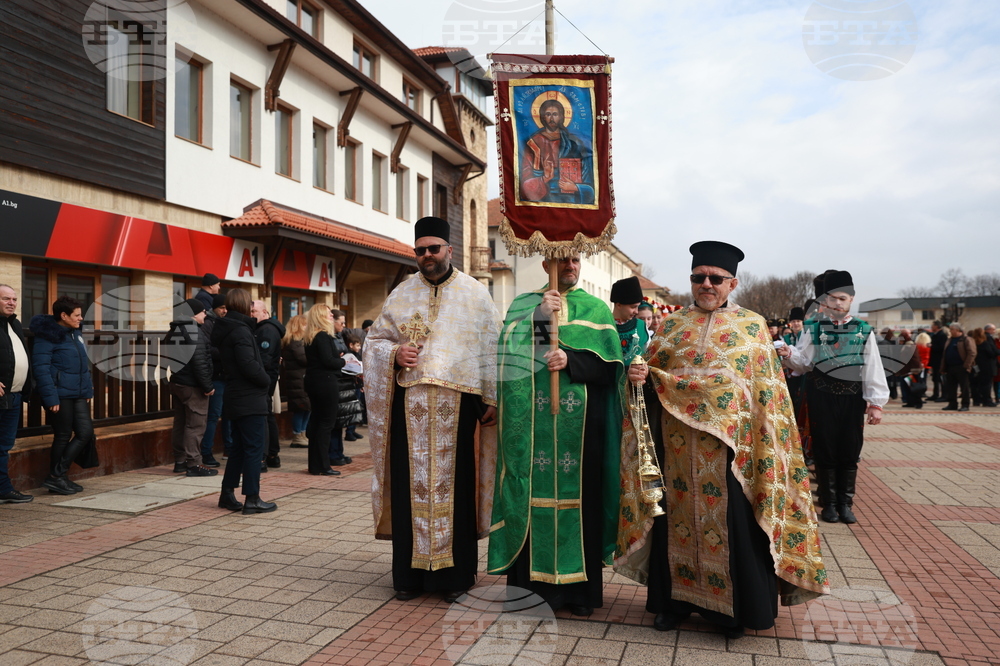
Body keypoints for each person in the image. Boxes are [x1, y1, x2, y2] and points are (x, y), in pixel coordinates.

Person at [617, 241, 827, 638]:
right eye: (699, 278)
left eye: (715, 278)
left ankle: (732, 612)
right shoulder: (672, 325)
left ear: (732, 283)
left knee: (734, 527)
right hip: (676, 451)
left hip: (734, 453)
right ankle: (672, 604)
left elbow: (767, 397)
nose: (706, 284)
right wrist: (640, 379)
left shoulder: (752, 327)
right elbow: (652, 381)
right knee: (673, 522)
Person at [365, 216, 501, 604]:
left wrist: (491, 396)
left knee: (456, 489)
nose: (427, 255)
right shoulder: (401, 293)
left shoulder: (475, 293)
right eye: (420, 250)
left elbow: (492, 347)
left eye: (433, 249)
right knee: (410, 488)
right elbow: (373, 343)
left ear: (449, 250)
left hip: (458, 407)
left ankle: (455, 577)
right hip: (410, 407)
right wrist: (394, 354)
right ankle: (408, 577)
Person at [488, 252, 625, 617]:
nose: (570, 266)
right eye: (562, 260)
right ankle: (530, 593)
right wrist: (539, 318)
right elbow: (511, 359)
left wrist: (572, 360)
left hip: (581, 435)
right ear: (546, 264)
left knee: (582, 504)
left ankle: (579, 594)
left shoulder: (595, 309)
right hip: (533, 431)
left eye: (575, 260)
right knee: (531, 498)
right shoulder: (524, 305)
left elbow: (611, 371)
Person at [779, 270, 889, 524]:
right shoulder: (814, 328)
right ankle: (828, 504)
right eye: (832, 299)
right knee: (824, 449)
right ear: (825, 301)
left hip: (851, 398)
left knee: (850, 450)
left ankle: (845, 503)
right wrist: (788, 354)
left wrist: (876, 403)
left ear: (850, 299)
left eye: (842, 298)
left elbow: (873, 366)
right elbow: (804, 362)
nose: (837, 303)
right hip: (821, 395)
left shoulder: (863, 330)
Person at [212, 288, 276, 514]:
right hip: (249, 397)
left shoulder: (228, 327)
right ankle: (252, 498)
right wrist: (265, 379)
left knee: (238, 448)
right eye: (250, 304)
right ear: (244, 305)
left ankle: (227, 494)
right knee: (253, 449)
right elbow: (248, 364)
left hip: (236, 396)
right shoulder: (240, 330)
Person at [30, 296, 95, 495]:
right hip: (59, 395)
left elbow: (84, 365)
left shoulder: (75, 334)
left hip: (77, 393)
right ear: (64, 315)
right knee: (63, 435)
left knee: (85, 433)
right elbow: (40, 368)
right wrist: (50, 398)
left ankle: (57, 476)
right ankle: (58, 478)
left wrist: (87, 390)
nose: (81, 318)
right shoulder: (47, 335)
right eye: (77, 315)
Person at [167, 299, 217, 477]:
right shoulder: (194, 330)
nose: (205, 315)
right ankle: (194, 464)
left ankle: (180, 461)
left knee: (180, 423)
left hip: (177, 382)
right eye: (203, 312)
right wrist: (207, 386)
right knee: (195, 424)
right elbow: (199, 361)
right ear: (194, 313)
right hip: (193, 385)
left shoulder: (174, 329)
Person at [519, 99, 594, 205]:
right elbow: (523, 183)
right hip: (542, 201)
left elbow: (590, 186)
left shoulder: (573, 144)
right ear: (542, 117)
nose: (551, 118)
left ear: (562, 116)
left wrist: (575, 187)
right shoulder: (532, 144)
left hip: (570, 200)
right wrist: (544, 178)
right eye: (548, 114)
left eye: (555, 114)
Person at [0, 285, 33, 503]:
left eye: (14, 299)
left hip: (13, 396)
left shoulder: (15, 324)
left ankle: (3, 489)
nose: (12, 302)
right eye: (6, 299)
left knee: (4, 445)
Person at [304, 304, 345, 476]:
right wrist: (343, 362)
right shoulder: (323, 336)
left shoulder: (311, 336)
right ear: (321, 316)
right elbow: (329, 361)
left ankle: (315, 465)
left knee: (316, 422)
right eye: (329, 314)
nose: (331, 317)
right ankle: (324, 465)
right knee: (326, 424)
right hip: (326, 383)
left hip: (313, 381)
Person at [252, 300, 285, 470]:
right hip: (266, 379)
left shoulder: (266, 330)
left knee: (264, 417)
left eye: (254, 311)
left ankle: (265, 457)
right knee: (267, 416)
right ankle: (271, 454)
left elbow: (264, 359)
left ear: (264, 313)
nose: (251, 314)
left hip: (263, 380)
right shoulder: (263, 329)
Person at [200, 292, 229, 466]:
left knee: (228, 415)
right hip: (215, 377)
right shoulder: (208, 324)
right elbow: (208, 349)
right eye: (221, 308)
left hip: (226, 376)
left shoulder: (225, 323)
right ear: (214, 308)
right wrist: (227, 352)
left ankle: (229, 448)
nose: (224, 311)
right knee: (212, 416)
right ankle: (206, 452)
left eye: (226, 307)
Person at [280, 314, 310, 448]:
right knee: (301, 408)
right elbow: (304, 359)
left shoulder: (299, 341)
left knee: (306, 408)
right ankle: (297, 435)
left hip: (300, 380)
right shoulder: (295, 342)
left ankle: (302, 433)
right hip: (297, 381)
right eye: (305, 325)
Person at [611, 276, 648, 363]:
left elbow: (648, 356)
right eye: (633, 307)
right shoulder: (603, 325)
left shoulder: (641, 326)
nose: (636, 311)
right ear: (619, 305)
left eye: (638, 306)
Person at [940, 323, 976, 412]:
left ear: (958, 330)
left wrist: (966, 365)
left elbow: (972, 353)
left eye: (952, 329)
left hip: (961, 367)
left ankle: (965, 405)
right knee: (951, 387)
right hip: (950, 367)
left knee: (964, 387)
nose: (950, 331)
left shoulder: (966, 339)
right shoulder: (949, 340)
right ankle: (952, 404)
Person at [342, 331, 364, 442]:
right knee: (352, 409)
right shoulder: (349, 356)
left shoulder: (357, 355)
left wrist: (362, 384)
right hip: (351, 385)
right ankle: (349, 432)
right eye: (357, 345)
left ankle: (353, 429)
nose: (359, 347)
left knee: (357, 409)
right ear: (351, 345)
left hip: (357, 384)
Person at [970, 328, 997, 407]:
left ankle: (976, 400)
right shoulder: (985, 343)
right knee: (986, 384)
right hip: (986, 366)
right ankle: (986, 400)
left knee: (975, 384)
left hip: (975, 365)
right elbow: (992, 353)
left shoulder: (972, 343)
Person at [929, 321, 948, 401]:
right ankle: (935, 394)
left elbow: (942, 348)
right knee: (935, 378)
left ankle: (944, 395)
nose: (931, 327)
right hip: (935, 360)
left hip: (940, 361)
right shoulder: (935, 335)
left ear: (937, 326)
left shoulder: (942, 335)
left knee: (941, 378)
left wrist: (932, 346)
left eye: (932, 326)